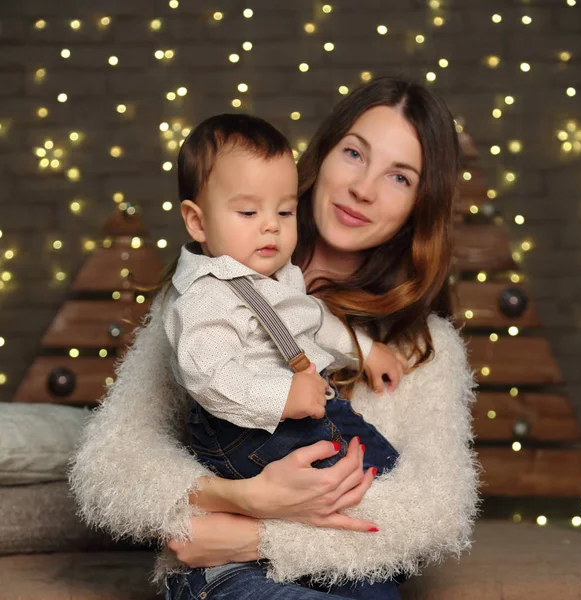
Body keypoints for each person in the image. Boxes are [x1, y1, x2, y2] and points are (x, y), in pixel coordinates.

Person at [70, 76, 480, 599]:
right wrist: (244, 497)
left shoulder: (423, 348)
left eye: (399, 177)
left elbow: (433, 512)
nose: (364, 188)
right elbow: (110, 465)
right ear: (323, 155)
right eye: (355, 153)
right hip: (224, 578)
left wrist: (249, 533)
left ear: (421, 205)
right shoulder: (211, 288)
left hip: (341, 576)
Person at [164, 113, 406, 487]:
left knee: (382, 462)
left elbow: (317, 320)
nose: (271, 225)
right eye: (248, 212)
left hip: (302, 408)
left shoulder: (281, 274)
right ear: (197, 222)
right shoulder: (207, 294)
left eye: (284, 211)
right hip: (244, 431)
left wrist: (366, 350)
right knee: (368, 479)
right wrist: (281, 396)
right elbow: (208, 377)